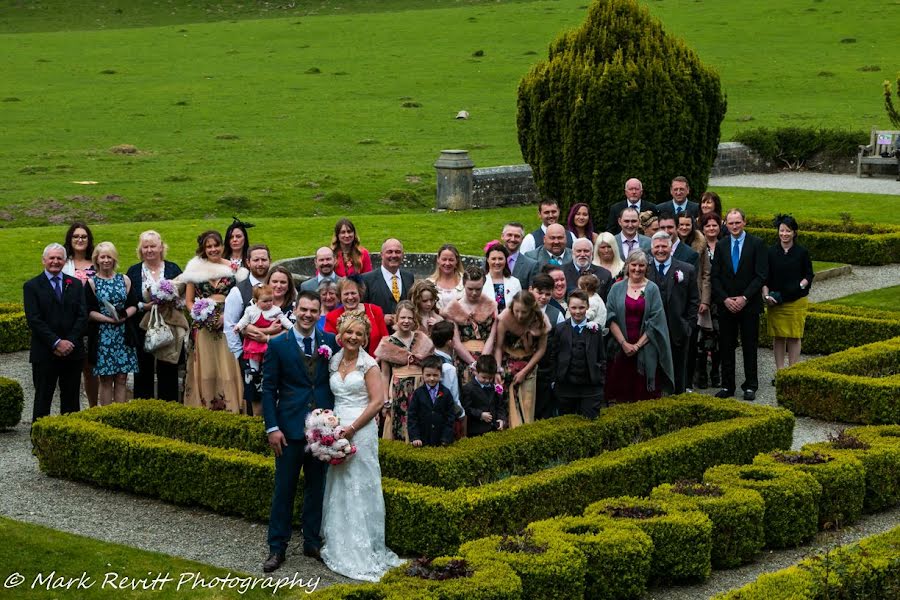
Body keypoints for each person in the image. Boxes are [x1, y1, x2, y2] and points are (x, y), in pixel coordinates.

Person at [321, 311, 403, 581]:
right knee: (339, 483)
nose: (353, 337)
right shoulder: (333, 361)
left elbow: (377, 402)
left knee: (360, 484)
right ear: (340, 335)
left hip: (361, 429)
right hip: (336, 429)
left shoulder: (369, 365)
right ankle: (338, 540)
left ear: (365, 337)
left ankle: (363, 547)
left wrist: (352, 428)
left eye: (359, 333)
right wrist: (328, 426)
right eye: (349, 332)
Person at [262, 291, 339, 573]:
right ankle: (277, 547)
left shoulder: (329, 342)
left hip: (322, 431)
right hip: (289, 429)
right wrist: (272, 427)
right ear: (295, 310)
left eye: (313, 311)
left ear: (320, 313)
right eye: (303, 309)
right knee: (284, 489)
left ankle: (311, 541)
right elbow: (269, 389)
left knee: (317, 487)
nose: (308, 315)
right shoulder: (279, 345)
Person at [182, 230, 248, 413]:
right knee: (207, 368)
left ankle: (232, 408)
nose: (213, 249)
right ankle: (205, 408)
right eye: (208, 246)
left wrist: (227, 317)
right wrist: (200, 313)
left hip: (228, 325)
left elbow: (244, 299)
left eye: (216, 245)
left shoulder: (235, 270)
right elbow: (188, 301)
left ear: (222, 246)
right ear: (203, 249)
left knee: (227, 367)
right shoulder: (194, 270)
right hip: (203, 327)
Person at [24, 243, 88, 422]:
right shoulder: (31, 286)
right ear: (44, 260)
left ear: (64, 261)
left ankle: (71, 440)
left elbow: (82, 316)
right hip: (45, 352)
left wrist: (69, 341)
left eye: (59, 258)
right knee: (43, 399)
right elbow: (34, 320)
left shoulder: (74, 284)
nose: (55, 261)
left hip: (72, 352)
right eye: (51, 258)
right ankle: (40, 442)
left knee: (71, 401)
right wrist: (56, 342)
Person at [711, 209, 768, 401]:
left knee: (749, 346)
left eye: (737, 222)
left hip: (749, 305)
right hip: (727, 305)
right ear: (725, 224)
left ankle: (750, 385)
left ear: (744, 222)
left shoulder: (757, 244)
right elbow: (715, 276)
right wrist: (725, 299)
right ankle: (728, 385)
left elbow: (761, 275)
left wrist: (745, 298)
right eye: (730, 223)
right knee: (726, 346)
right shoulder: (721, 245)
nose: (734, 226)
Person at [605, 250, 674, 403]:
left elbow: (656, 321)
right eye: (634, 265)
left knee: (644, 396)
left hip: (645, 349)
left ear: (646, 267)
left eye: (641, 265)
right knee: (621, 394)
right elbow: (610, 317)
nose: (637, 269)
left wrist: (636, 346)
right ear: (627, 266)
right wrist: (624, 344)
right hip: (620, 349)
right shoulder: (616, 288)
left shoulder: (652, 289)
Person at [125, 230, 184, 401]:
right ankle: (144, 413)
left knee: (169, 372)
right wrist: (145, 306)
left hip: (169, 327)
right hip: (143, 327)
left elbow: (183, 297)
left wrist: (171, 302)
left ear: (161, 247)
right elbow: (129, 301)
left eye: (153, 246)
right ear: (140, 249)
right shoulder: (134, 271)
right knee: (143, 372)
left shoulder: (173, 268)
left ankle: (170, 412)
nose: (149, 250)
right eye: (145, 247)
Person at [85, 242, 139, 406]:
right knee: (106, 378)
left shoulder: (125, 279)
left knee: (122, 377)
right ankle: (107, 416)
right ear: (97, 259)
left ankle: (120, 414)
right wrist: (108, 319)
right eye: (103, 257)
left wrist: (123, 316)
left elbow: (133, 304)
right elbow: (89, 311)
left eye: (109, 256)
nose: (106, 260)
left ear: (114, 259)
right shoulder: (92, 283)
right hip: (103, 336)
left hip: (123, 334)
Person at [224, 244, 274, 415]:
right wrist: (240, 354)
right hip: (251, 356)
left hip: (277, 353)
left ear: (270, 261)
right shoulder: (238, 291)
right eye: (256, 260)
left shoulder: (277, 285)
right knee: (256, 400)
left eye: (264, 259)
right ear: (248, 262)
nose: (260, 263)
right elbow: (230, 326)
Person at [646, 232, 699, 394]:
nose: (660, 250)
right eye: (657, 247)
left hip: (678, 330)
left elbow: (694, 300)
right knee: (653, 372)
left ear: (671, 248)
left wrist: (688, 325)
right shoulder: (643, 269)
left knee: (678, 373)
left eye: (664, 246)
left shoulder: (686, 269)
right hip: (650, 331)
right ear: (651, 248)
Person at [375, 301, 434, 442]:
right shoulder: (387, 343)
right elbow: (385, 374)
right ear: (396, 318)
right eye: (403, 318)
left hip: (420, 386)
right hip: (398, 389)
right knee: (399, 424)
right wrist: (385, 401)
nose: (406, 321)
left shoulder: (422, 338)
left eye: (410, 318)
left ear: (414, 320)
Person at [763, 215, 814, 375]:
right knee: (778, 336)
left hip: (796, 300)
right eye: (782, 230)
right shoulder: (770, 252)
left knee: (794, 336)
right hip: (776, 301)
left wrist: (800, 285)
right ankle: (779, 372)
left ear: (794, 233)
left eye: (788, 231)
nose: (784, 234)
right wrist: (766, 297)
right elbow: (764, 277)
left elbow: (809, 274)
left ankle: (791, 372)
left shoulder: (802, 252)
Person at [494, 291, 550, 428]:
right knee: (506, 403)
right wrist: (497, 370)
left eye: (524, 312)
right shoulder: (505, 318)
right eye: (516, 311)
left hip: (528, 365)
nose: (519, 315)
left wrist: (524, 372)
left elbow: (541, 350)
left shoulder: (540, 320)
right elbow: (498, 347)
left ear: (531, 309)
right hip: (507, 363)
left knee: (526, 403)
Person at [441, 266, 498, 387]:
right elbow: (456, 342)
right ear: (463, 284)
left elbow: (492, 337)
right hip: (464, 359)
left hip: (486, 357)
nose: (474, 293)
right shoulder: (454, 308)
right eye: (470, 289)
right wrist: (474, 364)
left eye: (478, 289)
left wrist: (482, 363)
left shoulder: (490, 305)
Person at [62, 221, 98, 407]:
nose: (80, 239)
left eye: (83, 236)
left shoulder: (97, 263)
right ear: (70, 239)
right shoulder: (63, 263)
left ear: (89, 239)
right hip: (72, 323)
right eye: (76, 236)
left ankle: (93, 407)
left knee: (91, 368)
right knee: (72, 368)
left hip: (94, 323)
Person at [555, 290, 607, 418]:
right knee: (565, 424)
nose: (577, 311)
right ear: (568, 307)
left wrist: (600, 379)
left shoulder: (596, 330)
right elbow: (554, 355)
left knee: (591, 422)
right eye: (573, 308)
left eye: (581, 307)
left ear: (587, 307)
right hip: (566, 387)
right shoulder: (560, 329)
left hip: (590, 388)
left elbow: (602, 356)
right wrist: (555, 379)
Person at [233, 284, 293, 380]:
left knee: (268, 354)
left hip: (269, 338)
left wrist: (291, 327)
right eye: (265, 301)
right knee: (254, 353)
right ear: (256, 301)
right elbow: (244, 320)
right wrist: (238, 327)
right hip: (255, 338)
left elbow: (284, 320)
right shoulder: (251, 310)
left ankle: (267, 368)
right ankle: (254, 369)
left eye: (270, 300)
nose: (269, 303)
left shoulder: (275, 310)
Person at [324, 277, 388, 356]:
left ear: (360, 294)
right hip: (344, 364)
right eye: (346, 294)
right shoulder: (332, 317)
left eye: (353, 293)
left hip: (375, 362)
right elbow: (329, 345)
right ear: (340, 297)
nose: (350, 297)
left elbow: (385, 340)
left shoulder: (375, 310)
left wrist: (375, 362)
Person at [696, 213, 724, 389]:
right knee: (702, 339)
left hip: (720, 300)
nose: (711, 229)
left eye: (714, 225)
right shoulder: (699, 246)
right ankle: (702, 376)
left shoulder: (724, 246)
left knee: (719, 338)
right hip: (703, 298)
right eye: (708, 226)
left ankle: (716, 373)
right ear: (703, 228)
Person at [360, 238, 414, 329]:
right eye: (389, 252)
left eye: (398, 252)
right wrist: (379, 319)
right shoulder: (366, 279)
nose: (394, 255)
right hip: (378, 337)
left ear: (403, 255)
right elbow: (360, 310)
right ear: (381, 255)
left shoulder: (409, 277)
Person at [407, 355, 456, 447]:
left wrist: (446, 437)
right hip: (422, 439)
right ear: (422, 374)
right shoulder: (418, 393)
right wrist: (415, 437)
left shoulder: (446, 393)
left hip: (441, 439)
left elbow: (450, 417)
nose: (432, 378)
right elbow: (412, 416)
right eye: (428, 375)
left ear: (440, 374)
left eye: (435, 375)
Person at [429, 320, 465, 438]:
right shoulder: (448, 368)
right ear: (449, 342)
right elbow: (452, 398)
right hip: (446, 421)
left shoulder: (430, 359)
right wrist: (462, 415)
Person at [462, 354, 506, 437]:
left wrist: (501, 419)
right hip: (476, 431)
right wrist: (480, 414)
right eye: (484, 377)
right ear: (476, 372)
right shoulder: (469, 388)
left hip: (494, 429)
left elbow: (500, 406)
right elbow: (466, 408)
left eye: (490, 378)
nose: (487, 381)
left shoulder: (495, 387)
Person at [483, 242, 522, 312]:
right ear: (488, 260)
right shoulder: (481, 282)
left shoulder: (515, 282)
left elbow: (519, 306)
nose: (497, 262)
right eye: (493, 259)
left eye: (500, 259)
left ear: (505, 260)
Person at [502, 222, 539, 289]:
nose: (513, 239)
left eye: (517, 236)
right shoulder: (491, 261)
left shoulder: (531, 265)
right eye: (509, 235)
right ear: (502, 236)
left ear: (522, 239)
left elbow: (532, 293)